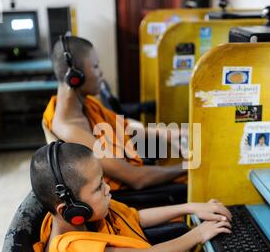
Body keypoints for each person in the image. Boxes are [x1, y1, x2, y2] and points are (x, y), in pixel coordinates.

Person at [31, 142, 233, 252]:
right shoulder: (71, 250)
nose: (108, 188)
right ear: (73, 209)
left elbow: (135, 217)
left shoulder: (81, 219)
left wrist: (189, 208)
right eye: (98, 187)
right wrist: (199, 233)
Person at [43, 36, 187, 192]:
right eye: (96, 66)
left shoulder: (86, 105)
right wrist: (188, 167)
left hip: (130, 180)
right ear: (75, 77)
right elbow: (137, 178)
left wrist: (173, 133)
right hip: (120, 198)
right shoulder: (70, 130)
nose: (101, 73)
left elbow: (122, 127)